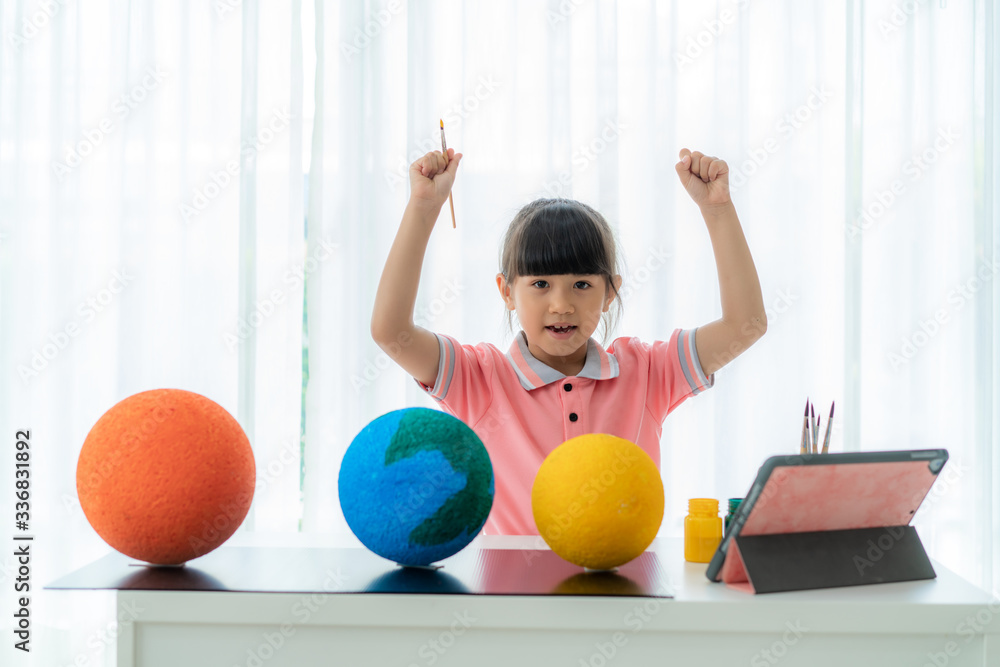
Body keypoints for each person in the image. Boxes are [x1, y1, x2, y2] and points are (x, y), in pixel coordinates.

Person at [371, 146, 766, 535]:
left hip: (622, 591)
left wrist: (718, 210)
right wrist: (423, 207)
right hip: (517, 596)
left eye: (581, 284)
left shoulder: (646, 372)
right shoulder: (480, 379)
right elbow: (390, 331)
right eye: (540, 284)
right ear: (507, 292)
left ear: (610, 292)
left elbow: (745, 325)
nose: (561, 305)